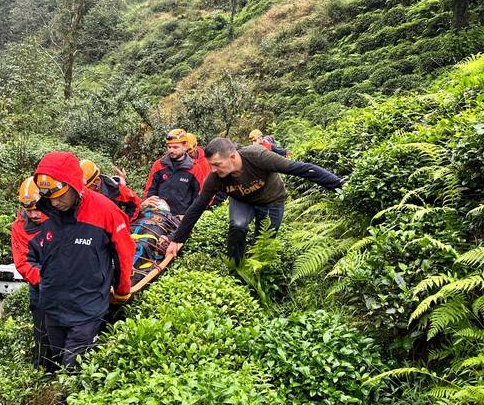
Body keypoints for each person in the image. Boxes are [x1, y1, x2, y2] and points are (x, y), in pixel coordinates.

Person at [162, 138, 344, 264]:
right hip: (242, 201)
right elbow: (197, 207)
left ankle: (259, 271)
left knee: (265, 239)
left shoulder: (259, 157)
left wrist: (340, 186)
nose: (214, 169)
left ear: (233, 157)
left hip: (272, 200)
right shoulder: (215, 178)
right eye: (211, 165)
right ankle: (236, 267)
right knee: (238, 227)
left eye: (218, 164)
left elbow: (303, 169)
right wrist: (176, 239)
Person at [32, 151, 135, 369]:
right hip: (53, 305)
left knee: (73, 368)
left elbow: (124, 253)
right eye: (50, 196)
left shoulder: (106, 211)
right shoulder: (44, 212)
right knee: (57, 359)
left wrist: (122, 290)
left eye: (61, 195)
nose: (56, 202)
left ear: (75, 185)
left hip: (86, 307)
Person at [9, 177, 48, 369]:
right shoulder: (20, 228)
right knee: (42, 330)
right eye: (28, 209)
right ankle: (42, 369)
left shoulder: (61, 216)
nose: (34, 214)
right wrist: (48, 282)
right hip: (41, 286)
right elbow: (23, 264)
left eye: (37, 208)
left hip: (70, 281)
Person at [143, 128, 201, 215]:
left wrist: (189, 216)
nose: (171, 150)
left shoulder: (194, 168)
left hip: (181, 218)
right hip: (159, 215)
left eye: (175, 147)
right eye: (169, 147)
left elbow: (198, 197)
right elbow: (150, 191)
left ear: (185, 146)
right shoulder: (159, 165)